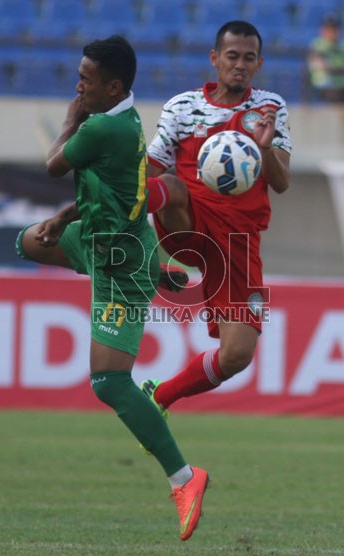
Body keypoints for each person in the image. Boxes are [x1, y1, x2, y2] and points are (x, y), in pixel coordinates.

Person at [15, 36, 208, 541]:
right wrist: (62, 217)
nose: (78, 85)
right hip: (103, 241)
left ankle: (185, 479)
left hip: (118, 264)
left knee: (108, 382)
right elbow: (111, 192)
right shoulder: (126, 120)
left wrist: (68, 118)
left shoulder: (100, 126)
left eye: (86, 78)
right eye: (78, 76)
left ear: (114, 86)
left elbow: (54, 164)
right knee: (27, 243)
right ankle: (154, 269)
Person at [140, 21, 291, 421]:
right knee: (169, 185)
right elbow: (150, 170)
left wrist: (265, 148)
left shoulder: (270, 108)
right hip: (189, 222)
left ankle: (159, 397)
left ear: (259, 63)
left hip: (238, 242)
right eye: (231, 56)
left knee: (237, 354)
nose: (239, 65)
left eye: (248, 58)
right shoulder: (182, 106)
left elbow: (282, 183)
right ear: (214, 59)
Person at [306, 15, 344, 102]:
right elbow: (320, 66)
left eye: (334, 29)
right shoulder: (317, 45)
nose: (331, 32)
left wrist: (336, 69)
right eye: (328, 29)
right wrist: (341, 69)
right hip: (322, 86)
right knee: (335, 96)